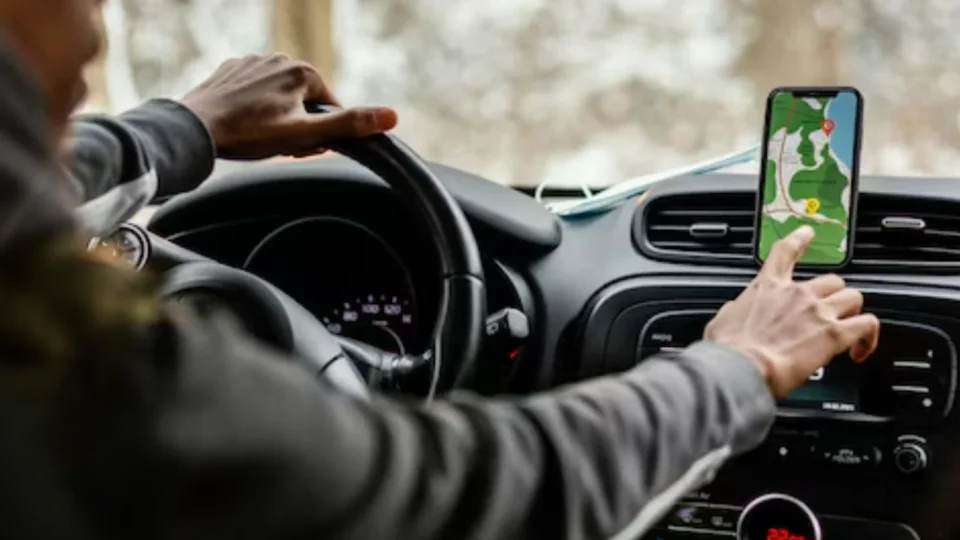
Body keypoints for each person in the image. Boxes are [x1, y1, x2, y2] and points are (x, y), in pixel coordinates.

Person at [0, 2, 881, 540]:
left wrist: (180, 129)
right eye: (68, 87)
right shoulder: (87, 385)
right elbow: (472, 500)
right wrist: (742, 365)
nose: (94, 25)